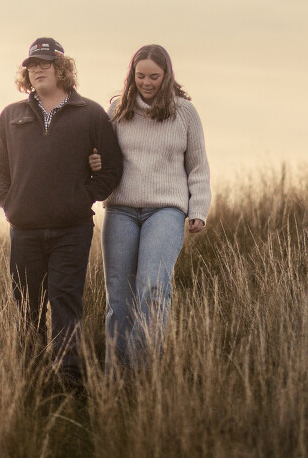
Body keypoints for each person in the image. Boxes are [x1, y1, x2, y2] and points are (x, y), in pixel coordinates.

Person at [0, 37, 123, 389]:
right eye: (32, 65)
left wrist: (82, 199)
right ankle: (31, 380)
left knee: (65, 303)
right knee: (27, 307)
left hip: (72, 230)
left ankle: (68, 381)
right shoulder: (11, 116)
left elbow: (111, 169)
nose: (37, 70)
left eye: (45, 63)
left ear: (62, 68)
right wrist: (11, 203)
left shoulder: (90, 113)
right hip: (25, 231)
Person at [88, 43, 211, 369]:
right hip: (121, 209)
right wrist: (95, 163)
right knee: (118, 297)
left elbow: (198, 166)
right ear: (132, 74)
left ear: (166, 75)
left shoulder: (185, 112)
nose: (146, 82)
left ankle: (143, 373)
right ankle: (117, 378)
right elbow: (103, 158)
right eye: (140, 75)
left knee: (153, 287)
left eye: (154, 76)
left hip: (166, 210)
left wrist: (198, 209)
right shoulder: (117, 110)